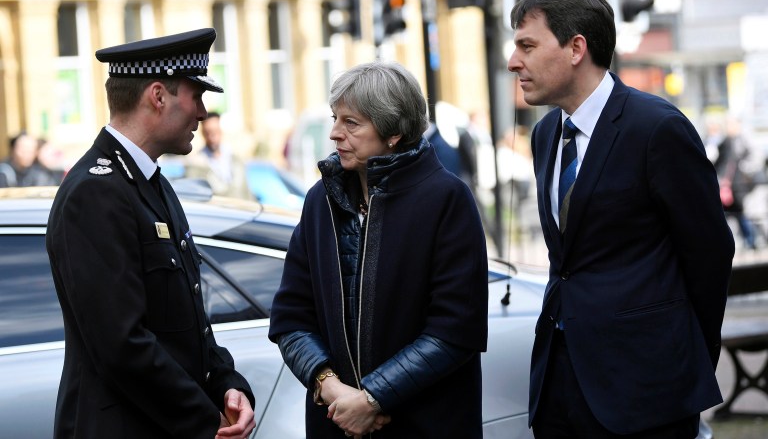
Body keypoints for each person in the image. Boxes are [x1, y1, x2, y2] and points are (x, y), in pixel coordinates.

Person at [507, 0, 735, 438]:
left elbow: (709, 254)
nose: (514, 62)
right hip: (559, 386)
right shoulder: (545, 134)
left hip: (646, 392)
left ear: (576, 49)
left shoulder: (656, 127)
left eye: (528, 46)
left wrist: (682, 359)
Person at [46, 28, 256, 439]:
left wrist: (228, 384)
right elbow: (122, 346)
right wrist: (207, 421)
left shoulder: (150, 183)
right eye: (195, 96)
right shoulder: (96, 193)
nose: (202, 113)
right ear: (158, 96)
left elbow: (189, 322)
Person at [268, 61, 489, 439]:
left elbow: (455, 331)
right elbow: (290, 318)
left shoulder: (446, 198)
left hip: (423, 424)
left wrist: (371, 400)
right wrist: (330, 387)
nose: (335, 133)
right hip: (335, 422)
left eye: (351, 123)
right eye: (335, 118)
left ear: (393, 132)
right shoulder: (320, 201)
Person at [705, 115, 757, 249]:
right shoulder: (725, 142)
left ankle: (750, 242)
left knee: (740, 214)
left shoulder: (742, 140)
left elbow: (751, 160)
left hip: (738, 185)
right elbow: (720, 163)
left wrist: (745, 171)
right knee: (731, 215)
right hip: (728, 185)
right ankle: (743, 243)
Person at [185, 111, 251, 199]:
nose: (212, 137)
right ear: (203, 133)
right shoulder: (196, 164)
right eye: (208, 132)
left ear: (221, 130)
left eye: (216, 131)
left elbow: (247, 192)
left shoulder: (235, 160)